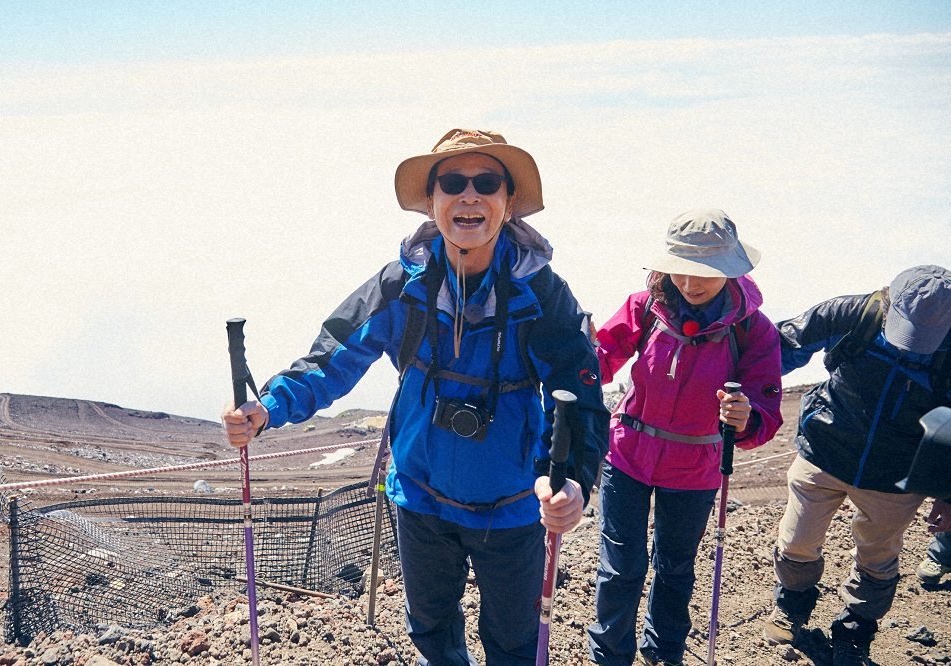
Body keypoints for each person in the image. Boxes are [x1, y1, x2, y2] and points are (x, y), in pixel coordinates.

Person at [222, 129, 608, 666]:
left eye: (486, 182)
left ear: (508, 201)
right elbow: (335, 356)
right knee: (430, 632)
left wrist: (572, 481)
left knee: (515, 645)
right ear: (431, 202)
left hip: (517, 502)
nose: (468, 195)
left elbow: (579, 395)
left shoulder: (540, 293)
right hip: (421, 500)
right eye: (452, 182)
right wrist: (270, 406)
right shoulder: (402, 283)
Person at [587, 209, 784, 666]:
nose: (691, 284)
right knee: (621, 568)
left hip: (695, 469)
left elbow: (765, 413)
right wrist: (571, 366)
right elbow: (598, 360)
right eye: (682, 269)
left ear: (730, 269)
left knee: (675, 568)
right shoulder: (644, 305)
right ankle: (609, 657)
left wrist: (744, 417)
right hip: (627, 455)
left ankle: (664, 654)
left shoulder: (754, 330)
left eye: (706, 273)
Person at [763, 265, 951, 666]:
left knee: (878, 557)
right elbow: (774, 350)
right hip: (824, 449)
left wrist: (950, 497)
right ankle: (793, 607)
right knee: (796, 541)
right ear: (889, 304)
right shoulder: (853, 314)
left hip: (896, 474)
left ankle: (854, 632)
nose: (912, 347)